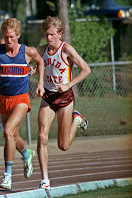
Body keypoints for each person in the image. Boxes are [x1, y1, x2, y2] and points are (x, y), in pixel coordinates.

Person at [0, 18, 45, 190]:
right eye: (5, 37)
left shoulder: (28, 51)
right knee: (13, 137)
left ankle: (7, 176)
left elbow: (40, 62)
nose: (8, 40)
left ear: (18, 35)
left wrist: (40, 83)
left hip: (21, 99)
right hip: (3, 99)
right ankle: (26, 154)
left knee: (8, 131)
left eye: (11, 37)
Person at [37, 16, 91, 190]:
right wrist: (31, 71)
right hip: (48, 97)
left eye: (52, 34)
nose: (49, 38)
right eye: (47, 34)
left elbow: (86, 69)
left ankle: (77, 119)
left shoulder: (66, 49)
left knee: (63, 145)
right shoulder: (42, 50)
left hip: (65, 99)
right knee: (42, 136)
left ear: (60, 34)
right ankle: (45, 180)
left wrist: (69, 84)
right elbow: (32, 66)